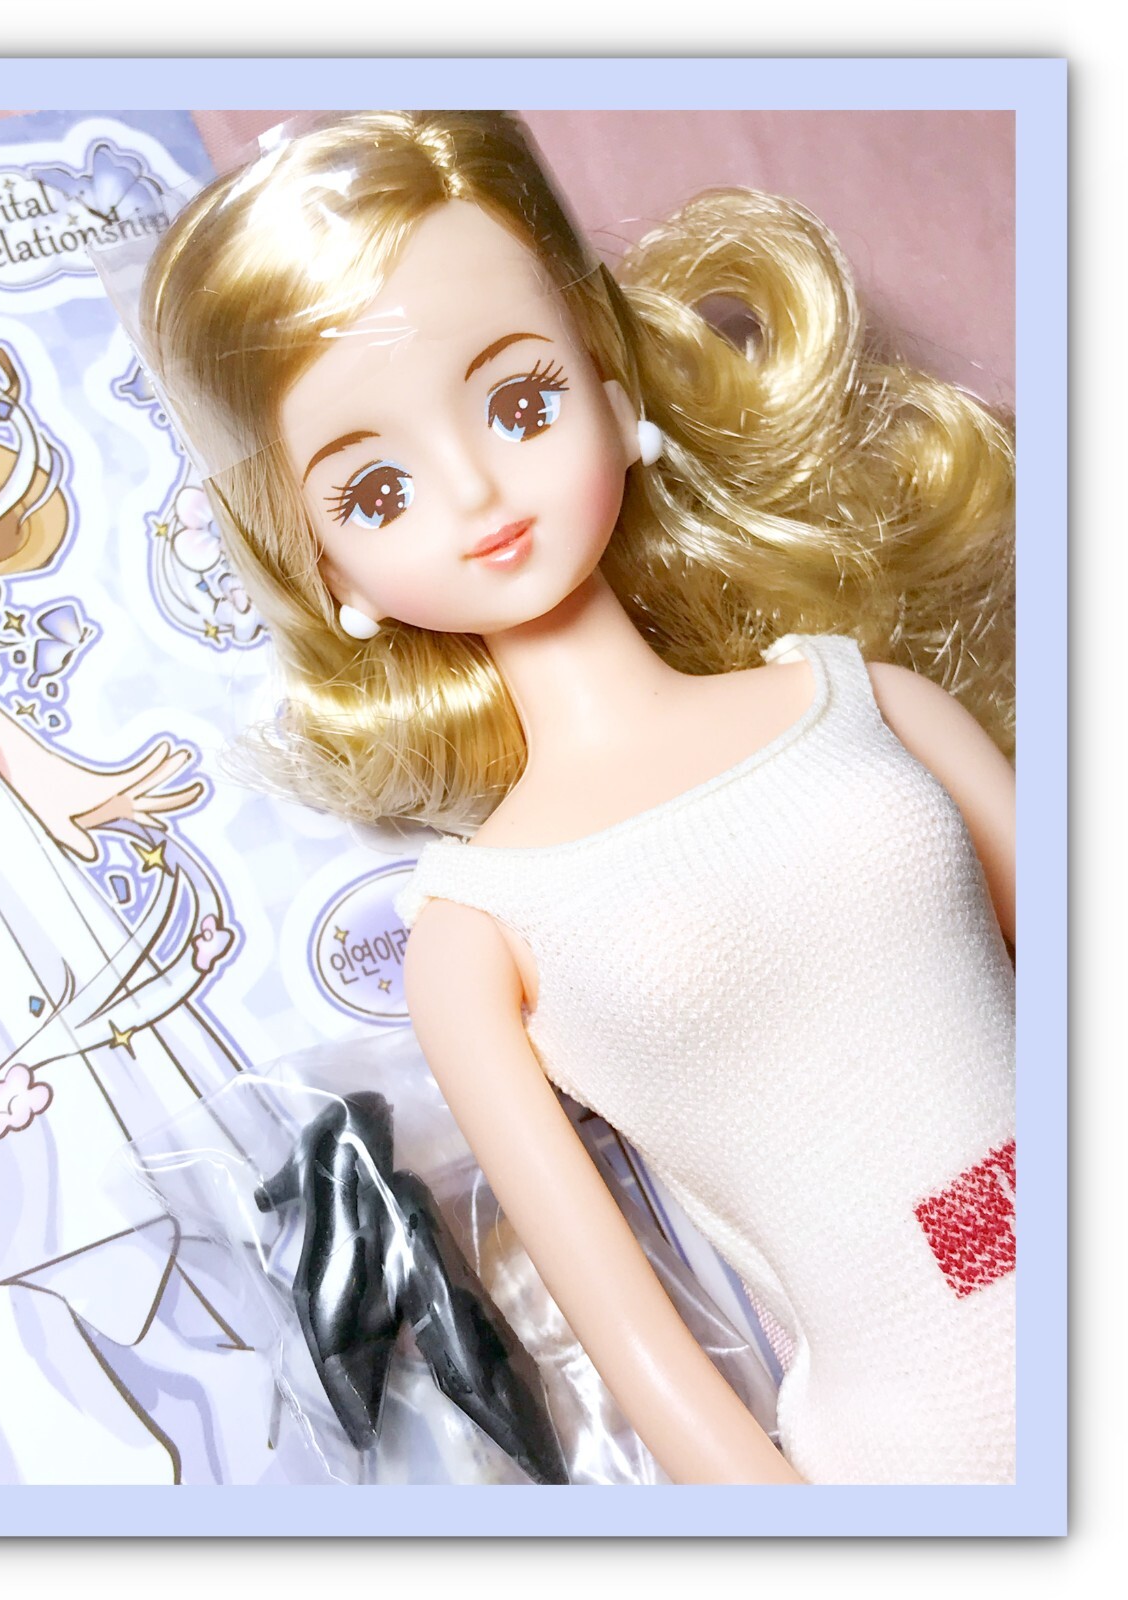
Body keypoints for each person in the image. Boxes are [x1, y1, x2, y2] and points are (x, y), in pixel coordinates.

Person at [132, 109, 1016, 1484]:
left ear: (608, 383)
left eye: (520, 402)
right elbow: (633, 1340)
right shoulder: (479, 933)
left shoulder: (877, 707)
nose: (476, 487)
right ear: (327, 569)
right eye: (377, 489)